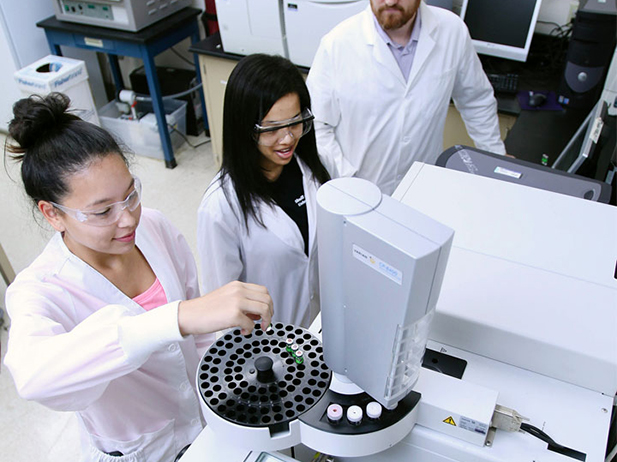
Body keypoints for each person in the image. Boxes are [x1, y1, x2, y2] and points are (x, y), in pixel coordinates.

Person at [3, 92, 273, 462]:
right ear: (52, 214)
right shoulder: (40, 290)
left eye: (131, 195)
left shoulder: (153, 227)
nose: (128, 218)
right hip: (141, 452)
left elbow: (199, 334)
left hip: (204, 423)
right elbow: (34, 378)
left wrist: (227, 391)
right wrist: (173, 318)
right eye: (102, 212)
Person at [306, 0, 507, 196]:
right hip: (355, 192)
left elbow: (476, 101)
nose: (391, 1)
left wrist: (496, 161)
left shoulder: (452, 32)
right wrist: (346, 179)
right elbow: (316, 124)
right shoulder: (338, 43)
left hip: (423, 189)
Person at [197, 54, 330, 328]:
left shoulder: (315, 168)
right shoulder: (220, 208)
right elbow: (221, 308)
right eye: (272, 129)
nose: (288, 138)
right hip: (267, 349)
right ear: (244, 128)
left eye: (295, 122)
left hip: (320, 328)